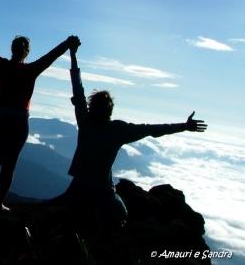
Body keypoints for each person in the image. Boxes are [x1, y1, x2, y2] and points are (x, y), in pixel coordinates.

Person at [66, 43, 207, 229]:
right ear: (110, 110)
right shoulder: (118, 130)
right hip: (102, 192)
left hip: (79, 188)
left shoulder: (85, 121)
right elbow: (152, 129)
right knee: (121, 215)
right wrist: (184, 126)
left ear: (92, 106)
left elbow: (77, 87)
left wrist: (73, 55)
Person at [0, 15, 80, 212]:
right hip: (19, 124)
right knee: (9, 164)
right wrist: (67, 43)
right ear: (26, 52)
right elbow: (51, 56)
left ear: (12, 49)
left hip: (0, 120)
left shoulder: (1, 65)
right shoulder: (31, 70)